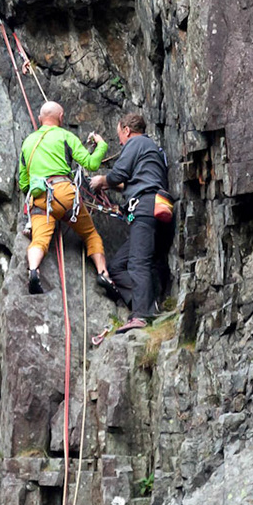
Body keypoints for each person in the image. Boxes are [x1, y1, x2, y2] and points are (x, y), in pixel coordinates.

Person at [91, 111, 173, 338]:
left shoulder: (136, 142)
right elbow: (137, 180)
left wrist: (102, 181)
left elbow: (119, 173)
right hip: (156, 207)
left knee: (138, 263)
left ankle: (141, 315)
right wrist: (114, 186)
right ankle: (148, 302)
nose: (120, 141)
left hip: (144, 209)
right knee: (117, 266)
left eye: (120, 136)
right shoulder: (152, 149)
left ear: (127, 130)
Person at [15, 101, 109, 293]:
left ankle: (33, 270)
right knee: (90, 233)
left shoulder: (28, 142)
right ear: (61, 117)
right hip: (64, 193)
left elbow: (23, 182)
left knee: (39, 240)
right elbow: (91, 164)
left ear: (40, 119)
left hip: (39, 196)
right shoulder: (66, 136)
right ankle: (103, 273)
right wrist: (101, 145)